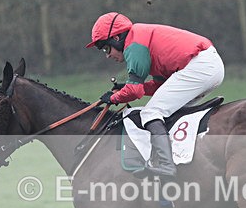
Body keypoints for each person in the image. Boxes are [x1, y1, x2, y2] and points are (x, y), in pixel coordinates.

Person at [85, 12, 224, 177]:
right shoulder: (140, 38)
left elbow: (135, 91)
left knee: (151, 112)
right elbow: (159, 86)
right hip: (206, 65)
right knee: (165, 111)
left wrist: (113, 97)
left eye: (106, 49)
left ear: (116, 38)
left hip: (200, 67)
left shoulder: (134, 45)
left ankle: (167, 165)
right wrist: (126, 88)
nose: (108, 55)